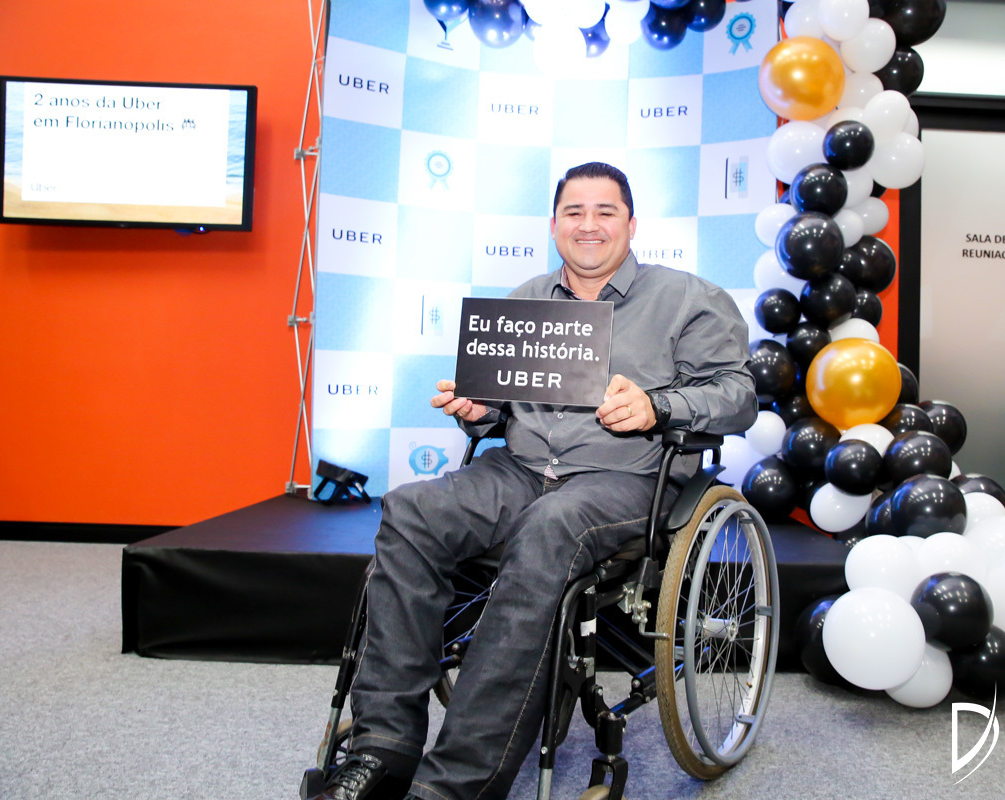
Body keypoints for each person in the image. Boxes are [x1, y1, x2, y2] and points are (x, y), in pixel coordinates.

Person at [310, 162, 757, 800]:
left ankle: (454, 785)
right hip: (520, 470)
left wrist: (659, 406)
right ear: (553, 226)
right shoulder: (525, 300)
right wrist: (478, 409)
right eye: (574, 212)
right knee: (410, 509)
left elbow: (738, 396)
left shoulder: (688, 298)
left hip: (623, 478)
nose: (589, 225)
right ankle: (383, 746)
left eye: (605, 211)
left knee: (551, 526)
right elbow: (500, 409)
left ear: (632, 224)